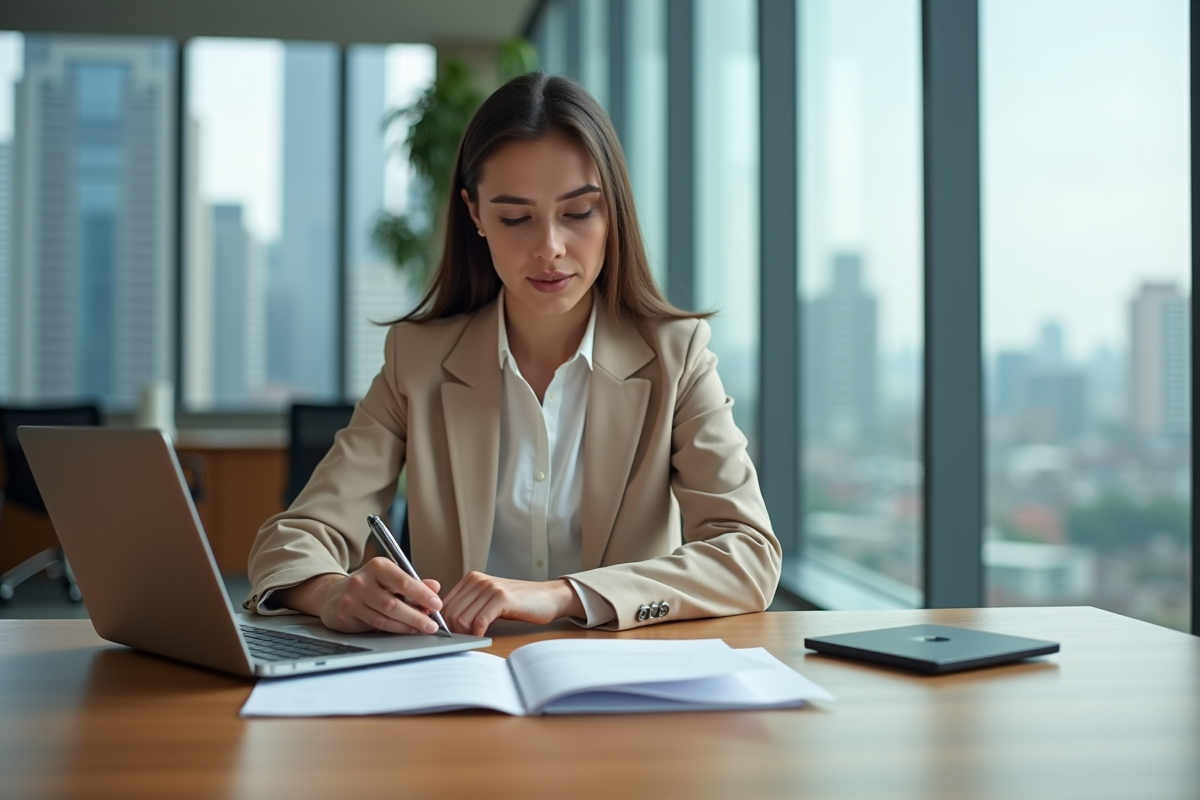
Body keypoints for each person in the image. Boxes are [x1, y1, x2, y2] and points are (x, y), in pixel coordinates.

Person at [245, 72, 780, 636]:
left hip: (623, 692)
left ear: (613, 212)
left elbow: (748, 555)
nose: (549, 247)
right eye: (515, 218)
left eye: (578, 213)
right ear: (475, 214)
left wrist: (564, 595)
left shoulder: (676, 355)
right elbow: (292, 540)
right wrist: (333, 592)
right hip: (458, 690)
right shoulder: (419, 360)